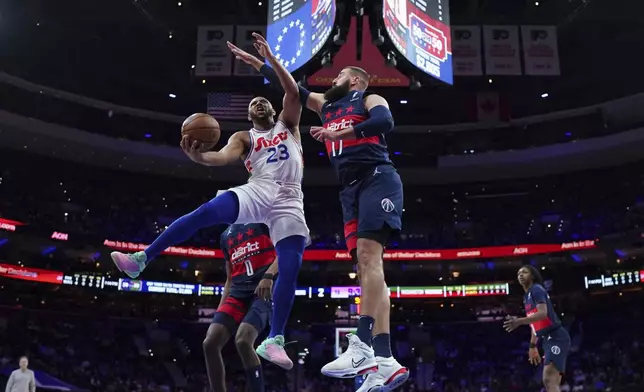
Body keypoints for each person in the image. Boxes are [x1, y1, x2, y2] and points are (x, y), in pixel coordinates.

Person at [111, 33, 308, 370]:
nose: (258, 103)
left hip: (290, 198)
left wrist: (271, 60)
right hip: (259, 189)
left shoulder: (289, 124)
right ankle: (142, 259)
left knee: (291, 264)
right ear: (249, 116)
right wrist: (201, 159)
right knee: (204, 213)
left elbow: (291, 90)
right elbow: (222, 157)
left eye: (263, 101)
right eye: (252, 104)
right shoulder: (244, 138)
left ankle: (275, 339)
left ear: (273, 109)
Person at [231, 53, 407, 391]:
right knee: (369, 269)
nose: (334, 78)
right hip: (349, 190)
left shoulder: (368, 96)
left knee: (370, 259)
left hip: (377, 177)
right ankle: (384, 361)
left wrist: (346, 129)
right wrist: (261, 63)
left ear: (354, 79)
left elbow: (385, 123)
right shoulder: (325, 103)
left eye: (340, 74)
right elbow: (291, 88)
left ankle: (362, 344)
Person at [203, 222, 278, 392]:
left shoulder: (263, 221)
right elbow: (230, 278)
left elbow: (285, 252)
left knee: (243, 341)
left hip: (261, 290)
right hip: (237, 293)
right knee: (210, 343)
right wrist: (220, 310)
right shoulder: (225, 235)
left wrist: (269, 275)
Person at [503, 265, 571, 392]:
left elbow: (542, 313)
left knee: (548, 379)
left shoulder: (537, 289)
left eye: (524, 272)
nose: (521, 275)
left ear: (532, 276)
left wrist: (519, 321)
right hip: (547, 339)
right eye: (519, 273)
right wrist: (532, 345)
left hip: (556, 336)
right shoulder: (527, 296)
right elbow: (535, 322)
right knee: (551, 381)